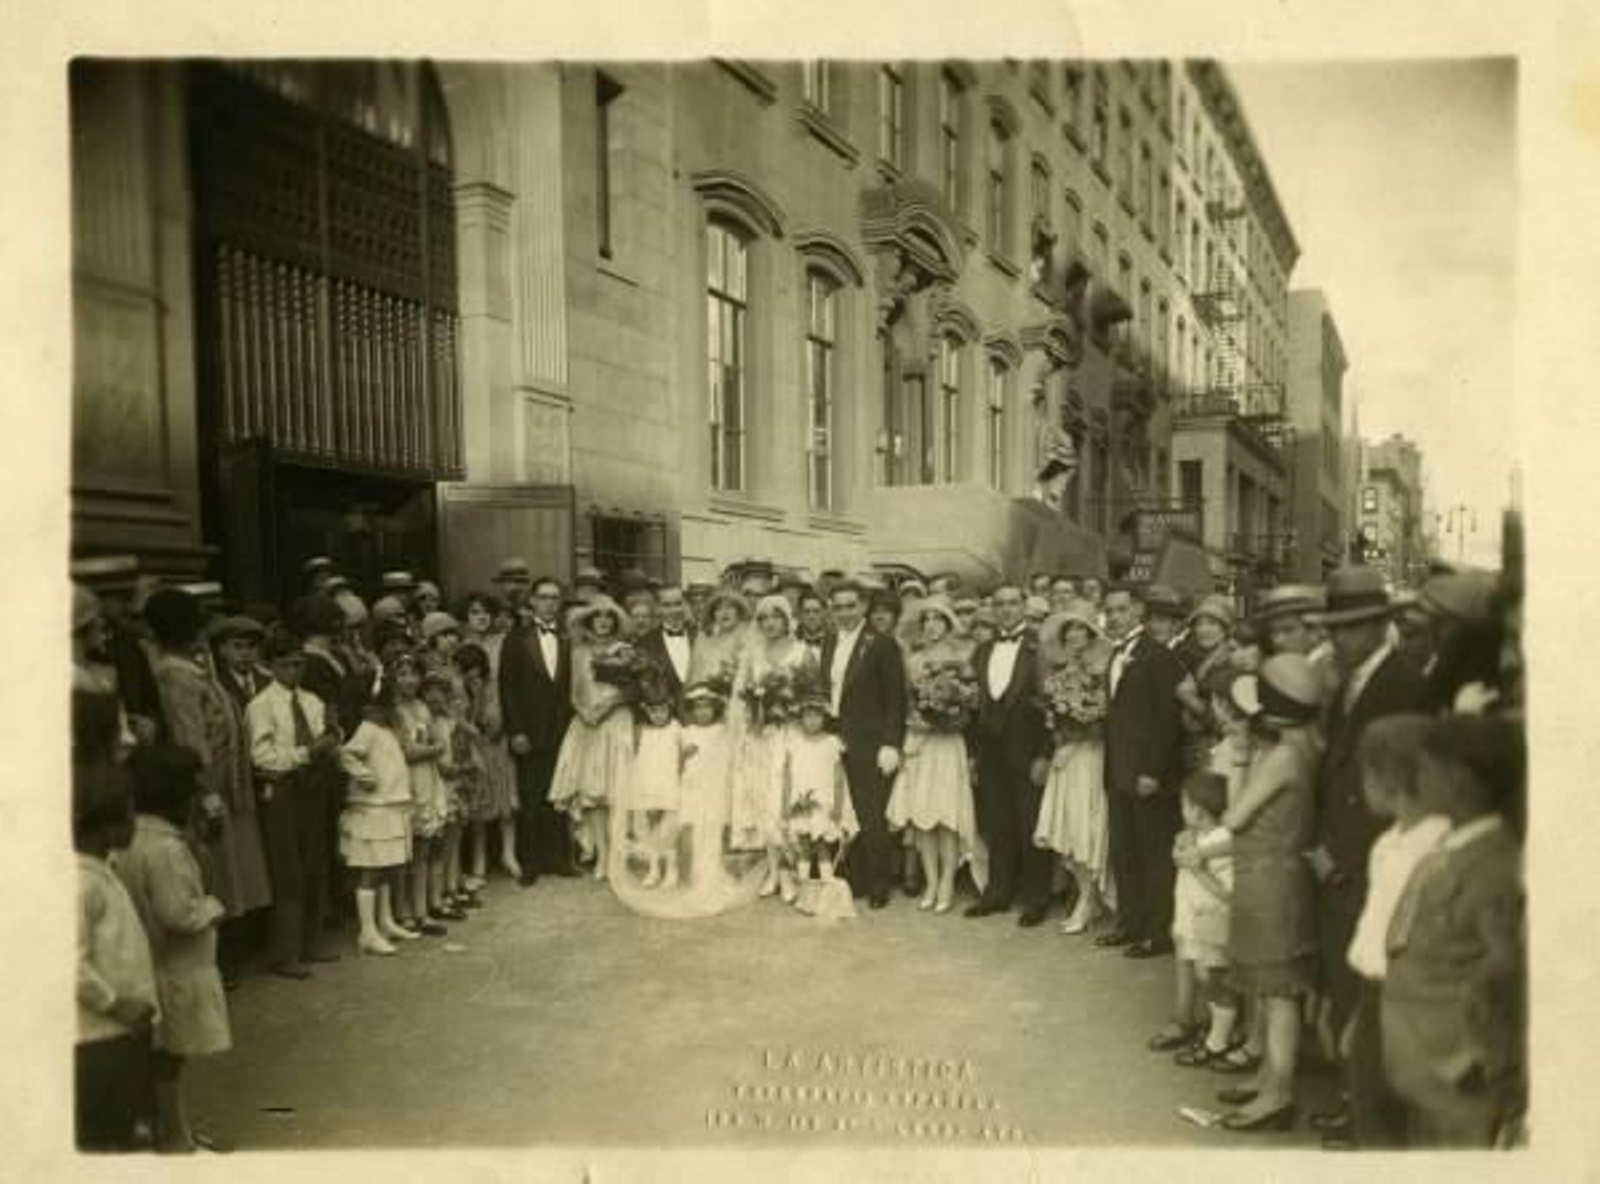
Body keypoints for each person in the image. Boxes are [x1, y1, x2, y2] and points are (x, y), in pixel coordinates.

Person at [1304, 566, 1430, 1126]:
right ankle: (1354, 1096)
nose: (1337, 637)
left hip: (1366, 860)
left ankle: (1364, 1109)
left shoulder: (1402, 685)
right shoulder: (1352, 680)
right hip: (1340, 855)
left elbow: (1396, 791)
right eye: (1333, 627)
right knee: (1344, 975)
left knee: (1363, 984)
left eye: (1349, 627)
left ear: (1380, 626)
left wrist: (1343, 857)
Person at [1382, 715, 1525, 1147]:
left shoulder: (1493, 867)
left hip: (1458, 1073)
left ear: (1460, 780)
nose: (1416, 779)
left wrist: (1476, 1055)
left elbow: (1505, 966)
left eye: (1424, 769)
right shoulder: (1448, 846)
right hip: (1419, 1061)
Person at [1197, 653, 1324, 1133]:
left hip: (1270, 878)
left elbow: (1234, 815)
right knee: (1276, 992)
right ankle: (1269, 1078)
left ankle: (1277, 1094)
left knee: (1278, 992)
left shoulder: (1281, 755)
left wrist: (1242, 756)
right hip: (1278, 874)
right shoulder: (1306, 743)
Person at [1332, 715, 1451, 1150]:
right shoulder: (1390, 842)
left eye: (1365, 772)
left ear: (1389, 778)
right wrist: (1361, 1017)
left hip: (1410, 1003)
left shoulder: (1434, 845)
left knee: (1401, 1130)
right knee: (1372, 1110)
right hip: (1375, 995)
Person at [144, 589, 272, 982]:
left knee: (232, 865)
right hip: (208, 783)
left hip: (226, 779)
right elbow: (190, 736)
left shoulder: (192, 668)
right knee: (212, 867)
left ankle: (233, 951)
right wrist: (205, 791)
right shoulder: (176, 674)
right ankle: (217, 959)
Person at [114, 744, 232, 1153]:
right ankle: (176, 1135)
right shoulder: (166, 848)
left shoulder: (134, 836)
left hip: (146, 961)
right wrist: (212, 908)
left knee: (158, 1054)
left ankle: (165, 1127)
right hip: (174, 965)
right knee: (172, 1057)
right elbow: (179, 914)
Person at [246, 629, 343, 980]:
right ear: (271, 666)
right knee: (289, 872)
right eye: (286, 665)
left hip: (313, 789)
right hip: (283, 791)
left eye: (299, 664)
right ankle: (284, 953)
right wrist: (306, 753)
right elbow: (262, 757)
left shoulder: (312, 700)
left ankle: (311, 944)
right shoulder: (260, 706)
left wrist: (333, 736)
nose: (294, 672)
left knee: (316, 863)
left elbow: (327, 737)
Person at [1099, 584, 1187, 958]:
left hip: (1148, 776)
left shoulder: (1158, 656)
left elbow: (1167, 721)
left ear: (1137, 612)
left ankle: (1158, 932)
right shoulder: (1116, 654)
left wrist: (1152, 771)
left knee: (1154, 855)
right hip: (1118, 771)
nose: (1114, 617)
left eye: (1121, 610)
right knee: (1125, 852)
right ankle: (1130, 924)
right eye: (1109, 611)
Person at [75, 757, 157, 1152]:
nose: (135, 824)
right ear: (102, 824)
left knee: (123, 1129)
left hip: (126, 1031)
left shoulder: (103, 869)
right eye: (129, 816)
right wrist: (114, 1003)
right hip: (99, 1035)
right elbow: (68, 962)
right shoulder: (79, 883)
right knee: (104, 1139)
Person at [965, 585, 1054, 927]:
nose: (1005, 610)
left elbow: (1051, 706)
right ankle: (997, 893)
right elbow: (974, 706)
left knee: (1030, 824)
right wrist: (974, 754)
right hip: (991, 752)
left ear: (1023, 606)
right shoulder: (983, 649)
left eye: (1012, 603)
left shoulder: (1039, 648)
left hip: (1028, 752)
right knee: (998, 824)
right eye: (999, 604)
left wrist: (1045, 755)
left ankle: (1036, 898)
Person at [888, 598, 978, 914]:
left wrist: (951, 716)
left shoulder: (962, 657)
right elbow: (907, 704)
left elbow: (970, 705)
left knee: (946, 817)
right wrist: (914, 725)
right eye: (926, 619)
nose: (931, 625)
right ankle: (931, 881)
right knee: (924, 818)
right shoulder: (913, 660)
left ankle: (948, 885)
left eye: (938, 619)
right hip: (920, 743)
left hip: (948, 743)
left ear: (948, 623)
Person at [820, 581, 907, 909]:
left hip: (871, 741)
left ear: (862, 607)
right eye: (838, 607)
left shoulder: (882, 644)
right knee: (845, 809)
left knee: (871, 814)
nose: (844, 613)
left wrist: (891, 743)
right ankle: (854, 877)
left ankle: (878, 883)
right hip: (836, 737)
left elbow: (895, 698)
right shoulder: (829, 641)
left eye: (850, 606)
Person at [1033, 602, 1113, 935]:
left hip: (1089, 754)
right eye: (1069, 631)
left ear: (1091, 633)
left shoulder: (1101, 671)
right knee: (1067, 824)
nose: (1075, 635)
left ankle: (1088, 899)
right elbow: (1055, 714)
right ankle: (1085, 896)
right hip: (1065, 754)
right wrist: (1059, 734)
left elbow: (1102, 718)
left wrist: (1078, 736)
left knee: (1084, 824)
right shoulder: (1059, 674)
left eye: (1081, 629)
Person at [728, 595, 813, 895]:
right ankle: (773, 871)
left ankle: (791, 874)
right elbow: (741, 698)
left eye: (775, 616)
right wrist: (750, 722)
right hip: (761, 737)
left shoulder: (803, 652)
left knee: (786, 801)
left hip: (791, 736)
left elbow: (813, 698)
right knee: (764, 801)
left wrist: (788, 708)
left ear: (787, 619)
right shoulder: (753, 654)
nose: (769, 623)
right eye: (763, 618)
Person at [1153, 770, 1237, 1069]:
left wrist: (1199, 868)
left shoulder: (1222, 842)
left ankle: (1219, 1040)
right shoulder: (1198, 836)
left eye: (1184, 805)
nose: (1182, 810)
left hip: (1214, 922)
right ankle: (1217, 1031)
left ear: (1198, 811)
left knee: (1216, 982)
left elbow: (1228, 893)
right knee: (1206, 978)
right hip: (1193, 922)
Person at [548, 597, 636, 880]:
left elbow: (633, 689)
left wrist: (609, 706)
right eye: (596, 616)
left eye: (608, 617)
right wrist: (585, 713)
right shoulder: (578, 652)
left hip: (617, 722)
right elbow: (573, 692)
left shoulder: (625, 651)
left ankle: (618, 856)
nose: (602, 621)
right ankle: (601, 854)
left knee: (616, 791)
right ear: (588, 622)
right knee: (593, 795)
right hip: (588, 726)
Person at [498, 577, 577, 884]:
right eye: (543, 597)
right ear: (531, 602)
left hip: (562, 729)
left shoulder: (568, 639)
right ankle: (530, 862)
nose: (549, 603)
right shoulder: (516, 639)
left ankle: (559, 859)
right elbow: (508, 688)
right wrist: (516, 730)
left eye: (555, 598)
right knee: (530, 797)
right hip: (528, 732)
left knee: (558, 796)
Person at [338, 671, 419, 954]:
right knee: (371, 870)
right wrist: (363, 775)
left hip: (391, 805)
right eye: (391, 701)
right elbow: (346, 754)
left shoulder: (386, 729)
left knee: (387, 866)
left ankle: (385, 921)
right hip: (373, 808)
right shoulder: (367, 729)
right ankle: (367, 932)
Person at [392, 652, 454, 933]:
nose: (409, 680)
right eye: (403, 674)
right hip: (405, 780)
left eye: (413, 674)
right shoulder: (393, 710)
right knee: (405, 849)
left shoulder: (421, 706)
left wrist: (434, 751)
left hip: (427, 778)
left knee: (425, 847)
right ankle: (402, 911)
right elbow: (405, 750)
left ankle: (422, 909)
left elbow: (433, 739)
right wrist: (433, 750)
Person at [782, 693, 858, 903]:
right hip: (801, 801)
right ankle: (804, 890)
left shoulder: (832, 742)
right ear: (801, 718)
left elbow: (839, 777)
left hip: (824, 800)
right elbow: (787, 775)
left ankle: (826, 886)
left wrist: (839, 806)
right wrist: (785, 804)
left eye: (817, 715)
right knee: (804, 845)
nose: (812, 720)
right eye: (807, 715)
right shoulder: (794, 742)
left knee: (823, 844)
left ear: (825, 717)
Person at [454, 642, 519, 885]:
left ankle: (508, 854)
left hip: (496, 749)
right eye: (467, 669)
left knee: (506, 805)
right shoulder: (458, 689)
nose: (472, 674)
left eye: (477, 668)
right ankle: (479, 859)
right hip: (473, 752)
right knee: (479, 808)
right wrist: (476, 697)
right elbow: (464, 722)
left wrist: (482, 696)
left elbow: (493, 724)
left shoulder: (494, 686)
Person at [621, 686, 687, 890]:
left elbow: (683, 757)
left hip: (670, 785)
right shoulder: (642, 732)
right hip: (649, 786)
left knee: (669, 831)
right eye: (652, 711)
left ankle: (672, 869)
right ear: (645, 710)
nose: (658, 716)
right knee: (652, 828)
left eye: (662, 710)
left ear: (669, 708)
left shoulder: (676, 729)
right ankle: (654, 868)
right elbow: (638, 761)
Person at [424, 669, 478, 914]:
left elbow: (468, 740)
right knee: (440, 843)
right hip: (438, 785)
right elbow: (440, 763)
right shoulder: (428, 723)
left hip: (455, 784)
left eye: (443, 693)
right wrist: (460, 769)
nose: (438, 699)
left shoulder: (450, 721)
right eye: (431, 694)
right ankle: (439, 895)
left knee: (454, 839)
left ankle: (453, 886)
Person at [637, 585, 696, 701]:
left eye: (678, 604)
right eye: (667, 605)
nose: (674, 610)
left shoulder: (701, 635)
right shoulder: (645, 643)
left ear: (685, 605)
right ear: (658, 608)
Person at [689, 588, 752, 689]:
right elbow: (693, 676)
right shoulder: (704, 639)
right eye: (718, 608)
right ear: (713, 614)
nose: (724, 612)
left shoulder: (748, 637)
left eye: (730, 607)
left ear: (739, 611)